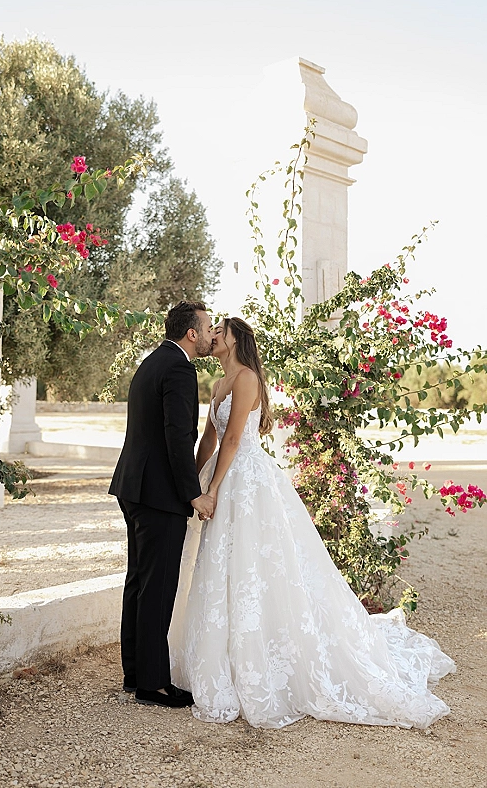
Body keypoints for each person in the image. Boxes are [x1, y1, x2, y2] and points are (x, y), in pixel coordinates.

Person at [169, 317, 455, 729]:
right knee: (222, 565)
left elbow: (233, 440)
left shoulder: (247, 378)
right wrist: (192, 485)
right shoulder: (217, 385)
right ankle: (223, 656)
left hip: (245, 479)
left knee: (258, 564)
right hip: (221, 474)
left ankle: (270, 659)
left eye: (220, 331)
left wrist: (212, 489)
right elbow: (210, 440)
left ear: (234, 340)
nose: (213, 335)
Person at [109, 301, 216, 708]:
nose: (210, 334)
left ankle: (136, 672)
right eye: (207, 327)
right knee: (156, 587)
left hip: (133, 488)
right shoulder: (179, 368)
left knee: (138, 581)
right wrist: (193, 493)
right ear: (191, 333)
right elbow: (176, 436)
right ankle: (152, 684)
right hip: (158, 495)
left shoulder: (152, 360)